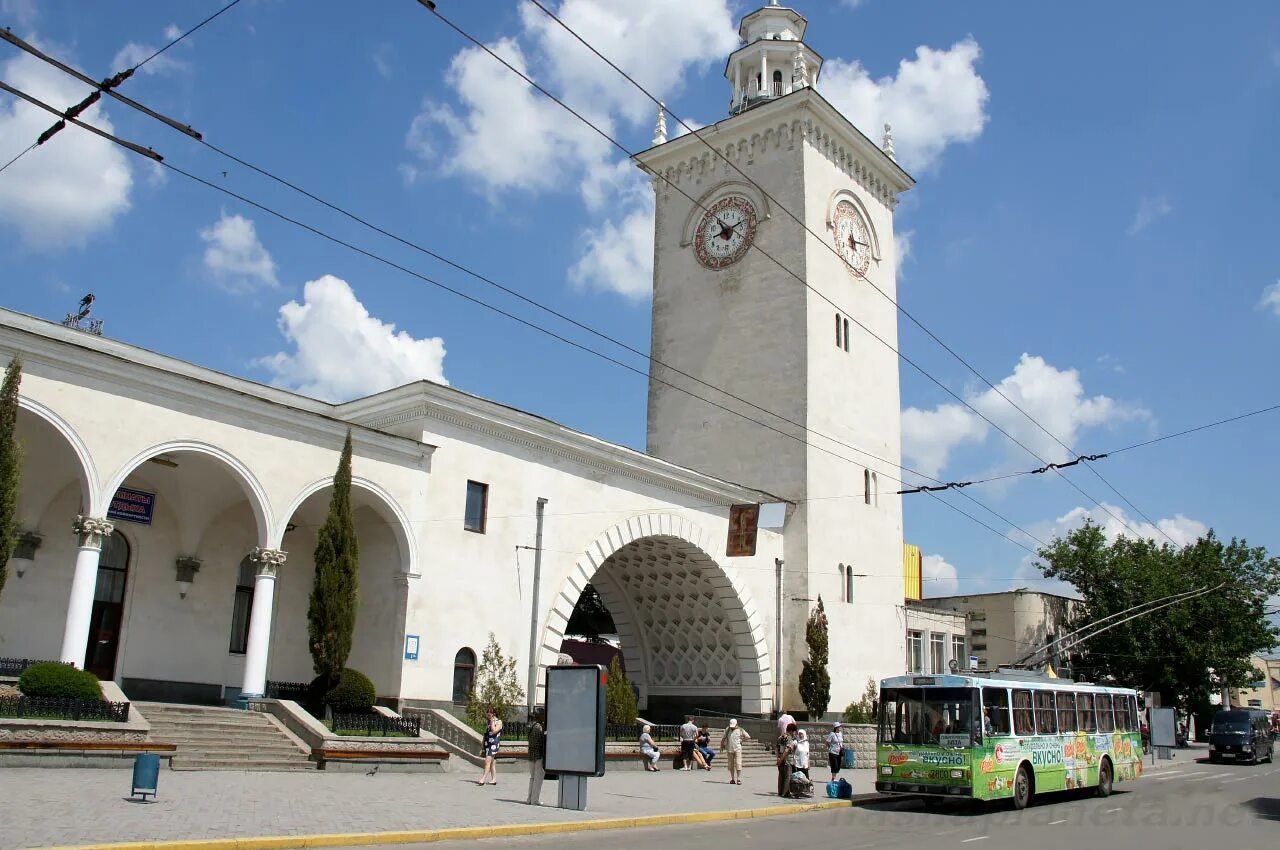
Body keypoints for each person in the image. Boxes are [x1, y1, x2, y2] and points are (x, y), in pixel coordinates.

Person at [720, 718, 750, 785]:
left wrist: (742, 740)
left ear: (736, 724)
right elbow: (723, 738)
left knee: (738, 764)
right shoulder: (727, 729)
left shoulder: (740, 729)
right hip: (729, 749)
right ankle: (732, 779)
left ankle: (738, 779)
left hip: (738, 749)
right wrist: (721, 745)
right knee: (731, 765)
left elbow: (748, 736)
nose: (732, 727)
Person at [478, 709, 502, 786]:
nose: (488, 715)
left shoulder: (499, 722)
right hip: (488, 744)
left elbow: (494, 731)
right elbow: (486, 734)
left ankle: (483, 779)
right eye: (487, 713)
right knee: (492, 763)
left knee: (487, 761)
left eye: (489, 713)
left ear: (493, 714)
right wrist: (483, 746)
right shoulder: (488, 722)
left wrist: (492, 722)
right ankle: (494, 779)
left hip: (494, 744)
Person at [526, 708, 546, 805]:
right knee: (538, 778)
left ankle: (529, 798)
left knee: (532, 778)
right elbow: (542, 742)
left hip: (530, 755)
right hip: (538, 756)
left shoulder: (531, 726)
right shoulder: (539, 728)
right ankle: (535, 800)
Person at [777, 722, 797, 797]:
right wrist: (782, 759)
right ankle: (785, 793)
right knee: (787, 777)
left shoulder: (780, 737)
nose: (794, 733)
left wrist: (778, 759)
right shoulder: (789, 738)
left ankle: (780, 792)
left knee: (781, 776)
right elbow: (787, 750)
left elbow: (777, 748)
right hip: (787, 760)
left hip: (780, 759)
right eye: (794, 731)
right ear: (791, 730)